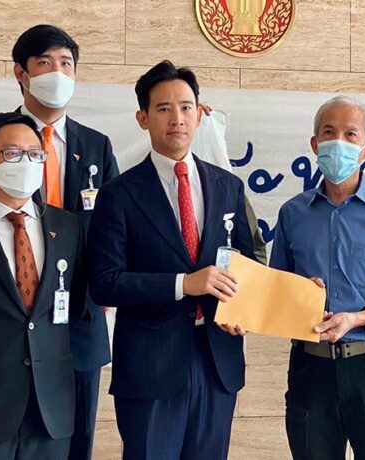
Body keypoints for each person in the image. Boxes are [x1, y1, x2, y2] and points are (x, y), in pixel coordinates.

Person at [0, 24, 118, 460]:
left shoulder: (96, 145)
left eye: (66, 63)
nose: (57, 73)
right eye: (45, 63)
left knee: (70, 443)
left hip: (76, 330)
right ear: (21, 73)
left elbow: (110, 230)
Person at [88, 60, 255, 460]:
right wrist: (184, 284)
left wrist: (247, 308)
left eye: (185, 107)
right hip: (151, 366)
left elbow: (246, 263)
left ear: (198, 115)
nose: (176, 118)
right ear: (143, 118)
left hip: (217, 360)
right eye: (163, 108)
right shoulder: (119, 193)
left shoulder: (228, 186)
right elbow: (105, 282)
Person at [269, 95, 365, 460]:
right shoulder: (292, 214)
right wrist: (298, 298)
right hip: (311, 368)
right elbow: (275, 290)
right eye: (328, 132)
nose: (338, 141)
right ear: (314, 143)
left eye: (350, 134)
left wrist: (360, 317)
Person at [0, 112, 85, 459]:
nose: (26, 163)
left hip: (50, 410)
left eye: (35, 154)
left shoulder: (67, 227)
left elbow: (73, 306)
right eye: (12, 154)